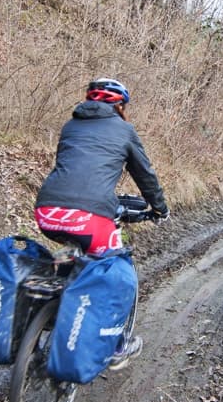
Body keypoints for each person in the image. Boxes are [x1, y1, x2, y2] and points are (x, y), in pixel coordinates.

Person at [35, 77, 169, 369]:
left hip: (46, 210)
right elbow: (144, 175)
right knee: (118, 274)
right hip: (90, 217)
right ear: (120, 106)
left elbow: (76, 170)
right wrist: (160, 209)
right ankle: (117, 345)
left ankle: (49, 315)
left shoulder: (70, 126)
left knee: (76, 255)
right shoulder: (124, 130)